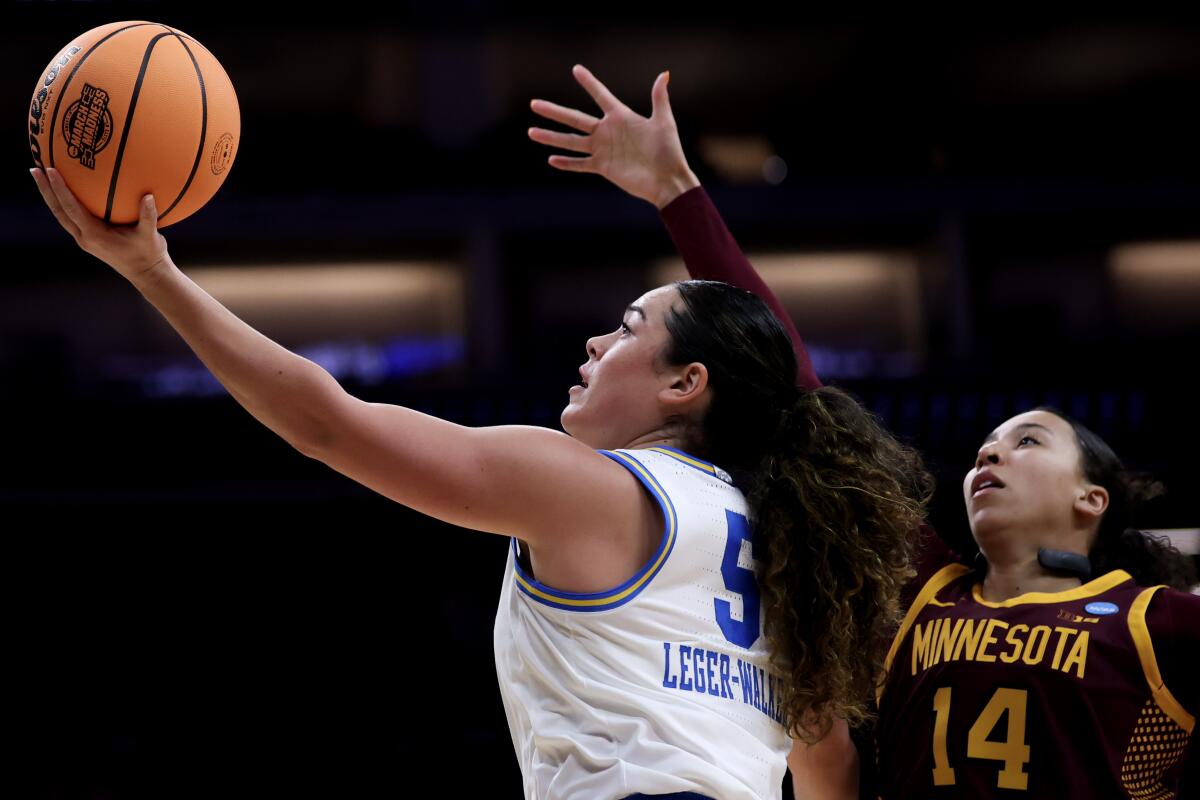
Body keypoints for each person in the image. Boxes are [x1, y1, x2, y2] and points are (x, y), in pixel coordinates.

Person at [29, 105, 929, 798]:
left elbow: (329, 424)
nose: (593, 346)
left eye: (624, 329)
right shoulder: (789, 557)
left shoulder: (590, 487)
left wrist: (156, 275)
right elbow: (831, 771)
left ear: (685, 385)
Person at [529, 66, 1199, 798]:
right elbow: (798, 396)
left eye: (1029, 441)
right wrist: (677, 193)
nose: (990, 450)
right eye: (989, 443)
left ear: (1091, 499)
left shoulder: (1154, 622)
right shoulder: (925, 595)